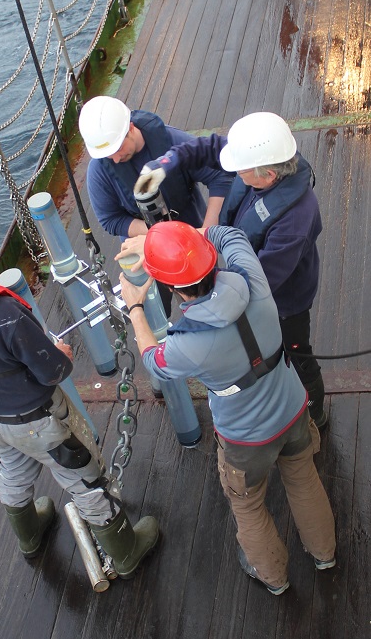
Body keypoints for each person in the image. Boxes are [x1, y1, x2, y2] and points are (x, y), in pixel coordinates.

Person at [0, 202, 159, 577]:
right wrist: (59, 352)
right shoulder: (0, 313)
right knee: (84, 478)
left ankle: (29, 535)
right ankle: (125, 552)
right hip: (37, 422)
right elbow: (53, 370)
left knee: (12, 469)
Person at [118, 222, 336, 595]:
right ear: (209, 261)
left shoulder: (187, 345)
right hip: (293, 408)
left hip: (245, 442)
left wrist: (135, 308)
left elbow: (154, 362)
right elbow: (229, 234)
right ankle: (324, 555)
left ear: (171, 287)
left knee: (249, 508)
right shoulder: (252, 277)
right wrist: (181, 239)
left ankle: (275, 579)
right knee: (304, 479)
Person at [134, 110, 328, 428]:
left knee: (298, 356)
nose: (234, 172)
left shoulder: (295, 219)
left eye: (240, 171)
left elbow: (259, 280)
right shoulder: (259, 154)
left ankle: (315, 416)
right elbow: (208, 147)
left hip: (284, 303)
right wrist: (164, 164)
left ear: (266, 176)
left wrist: (194, 267)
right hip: (243, 269)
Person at [78, 95, 234, 240]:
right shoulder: (98, 171)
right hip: (147, 247)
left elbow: (219, 177)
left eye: (118, 148)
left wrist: (206, 234)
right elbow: (110, 219)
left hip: (194, 233)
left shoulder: (174, 141)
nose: (116, 160)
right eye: (108, 155)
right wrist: (163, 231)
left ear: (131, 127)